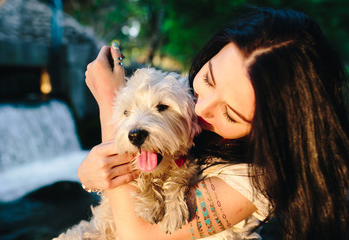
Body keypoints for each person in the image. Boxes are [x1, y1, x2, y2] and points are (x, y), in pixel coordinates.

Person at [80, 7, 349, 240]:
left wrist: (110, 101)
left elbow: (138, 235)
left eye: (230, 114)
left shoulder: (255, 179)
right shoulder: (184, 99)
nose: (200, 107)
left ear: (268, 133)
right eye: (208, 80)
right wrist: (91, 175)